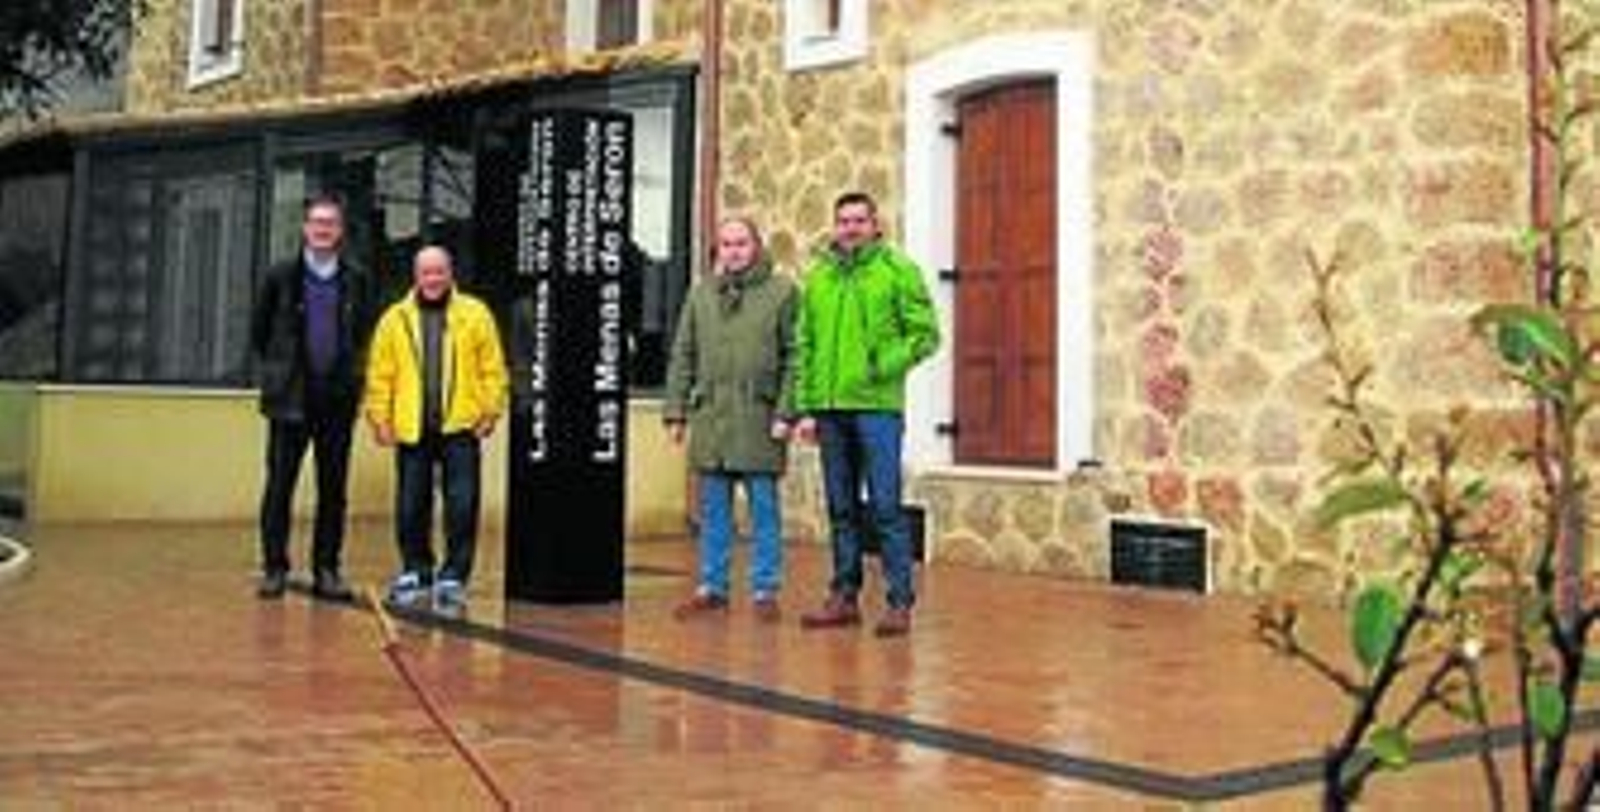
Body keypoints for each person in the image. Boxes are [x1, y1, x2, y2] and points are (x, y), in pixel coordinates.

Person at [793, 191, 941, 638]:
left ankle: (899, 601)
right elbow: (805, 346)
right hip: (830, 410)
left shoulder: (899, 272)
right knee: (840, 507)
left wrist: (881, 365)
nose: (851, 228)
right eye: (843, 221)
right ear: (834, 226)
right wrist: (806, 407)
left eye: (859, 220)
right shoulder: (819, 278)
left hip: (877, 409)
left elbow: (926, 335)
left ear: (876, 225)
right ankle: (843, 595)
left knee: (885, 506)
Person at [663, 217, 798, 623]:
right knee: (714, 510)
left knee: (763, 509)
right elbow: (683, 353)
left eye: (741, 243)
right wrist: (675, 410)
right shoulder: (701, 294)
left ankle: (765, 590)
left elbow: (797, 356)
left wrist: (787, 412)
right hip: (712, 419)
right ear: (718, 249)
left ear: (756, 246)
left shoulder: (782, 293)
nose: (733, 250)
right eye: (726, 244)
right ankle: (712, 588)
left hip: (759, 417)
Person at [364, 246, 508, 614]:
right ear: (416, 276)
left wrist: (491, 410)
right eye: (426, 272)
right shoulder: (394, 320)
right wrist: (379, 418)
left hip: (460, 428)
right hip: (411, 430)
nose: (432, 279)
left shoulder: (475, 314)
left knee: (462, 505)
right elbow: (380, 374)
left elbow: (493, 368)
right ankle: (416, 568)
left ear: (450, 273)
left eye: (439, 271)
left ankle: (454, 575)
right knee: (411, 504)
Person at [249, 192, 378, 601]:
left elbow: (363, 333)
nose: (323, 230)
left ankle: (327, 570)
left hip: (336, 400)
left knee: (333, 489)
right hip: (290, 398)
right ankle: (274, 568)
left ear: (340, 231)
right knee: (280, 485)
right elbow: (260, 332)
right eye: (316, 222)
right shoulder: (279, 275)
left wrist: (352, 377)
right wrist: (278, 371)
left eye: (331, 223)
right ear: (305, 228)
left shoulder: (355, 278)